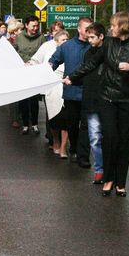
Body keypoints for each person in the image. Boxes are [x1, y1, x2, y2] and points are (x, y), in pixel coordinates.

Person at [65, 12, 129, 197]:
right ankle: (108, 179)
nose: (111, 27)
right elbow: (91, 64)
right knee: (110, 138)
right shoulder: (108, 44)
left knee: (125, 141)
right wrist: (72, 77)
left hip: (128, 100)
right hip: (107, 98)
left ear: (123, 26)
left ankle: (121, 183)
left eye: (113, 25)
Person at [49, 17, 92, 168]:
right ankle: (73, 148)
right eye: (86, 29)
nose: (89, 32)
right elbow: (53, 61)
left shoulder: (95, 47)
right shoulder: (67, 46)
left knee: (87, 126)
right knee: (72, 125)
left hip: (89, 93)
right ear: (79, 29)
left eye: (91, 29)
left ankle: (83, 156)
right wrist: (44, 72)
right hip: (72, 93)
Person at [30, 30, 70, 157]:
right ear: (56, 42)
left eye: (67, 40)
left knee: (66, 118)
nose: (65, 42)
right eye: (62, 40)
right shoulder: (49, 53)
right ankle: (56, 141)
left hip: (68, 86)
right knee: (54, 118)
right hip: (53, 88)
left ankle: (64, 146)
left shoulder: (72, 53)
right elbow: (43, 67)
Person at [82, 22, 107, 184]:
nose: (89, 40)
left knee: (109, 137)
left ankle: (110, 169)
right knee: (95, 137)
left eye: (92, 37)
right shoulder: (87, 53)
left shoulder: (110, 52)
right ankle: (99, 170)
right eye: (88, 37)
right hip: (91, 101)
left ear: (101, 37)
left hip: (108, 100)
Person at [14, 15, 46, 134]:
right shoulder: (19, 37)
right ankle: (26, 124)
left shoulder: (41, 38)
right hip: (23, 72)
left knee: (34, 100)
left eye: (37, 26)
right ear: (26, 25)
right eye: (33, 26)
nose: (35, 28)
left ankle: (35, 124)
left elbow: (44, 53)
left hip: (35, 72)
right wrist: (23, 61)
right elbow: (15, 52)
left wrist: (34, 63)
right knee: (23, 99)